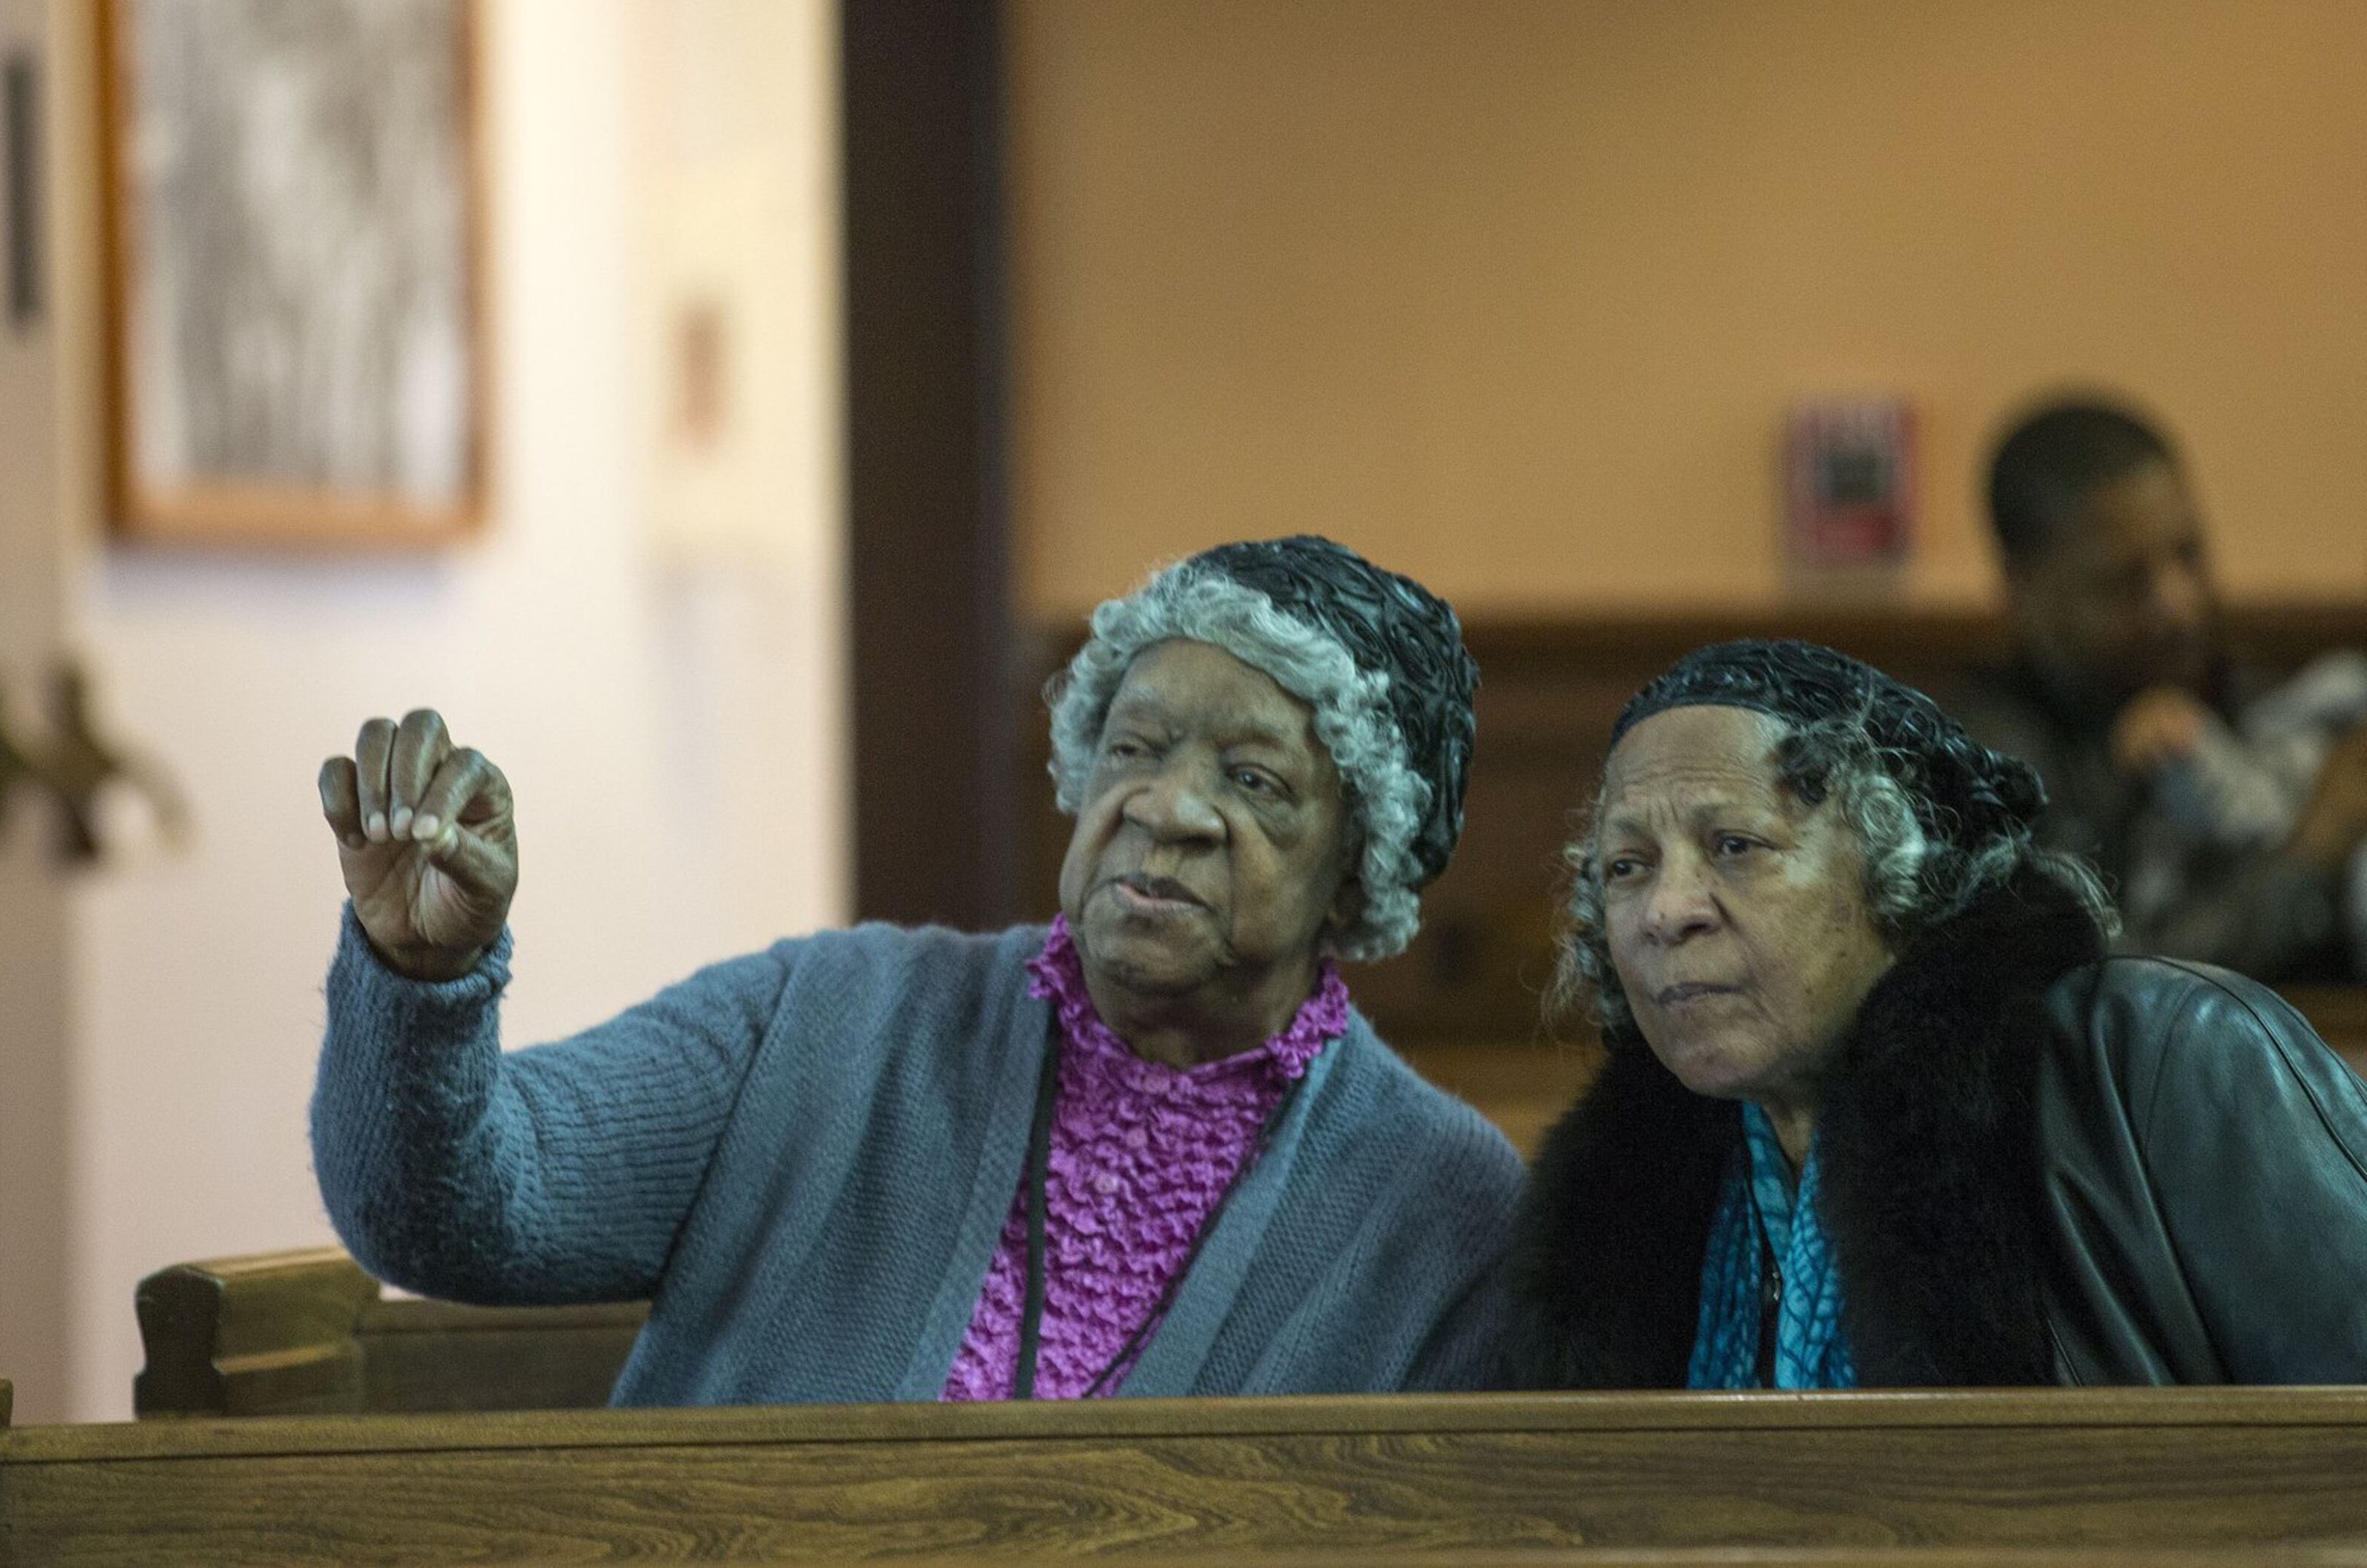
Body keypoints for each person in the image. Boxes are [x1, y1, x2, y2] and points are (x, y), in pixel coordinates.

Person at [310, 535, 1523, 1404]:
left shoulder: (1442, 1207)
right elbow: (453, 1212)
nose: (1166, 804)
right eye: (1134, 745)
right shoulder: (830, 1018)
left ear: (1359, 862)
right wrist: (425, 977)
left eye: (1253, 780)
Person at [1506, 640, 2367, 1387]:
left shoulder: (2172, 1061)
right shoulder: (1629, 1217)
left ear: (1897, 871)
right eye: (1627, 866)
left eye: (1736, 846)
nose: (1667, 909)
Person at [1954, 399, 2367, 979]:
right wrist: (2312, 854)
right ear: (2023, 593)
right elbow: (2106, 984)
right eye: (2127, 582)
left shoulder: (2260, 697)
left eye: (2189, 554)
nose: (2178, 603)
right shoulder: (1988, 765)